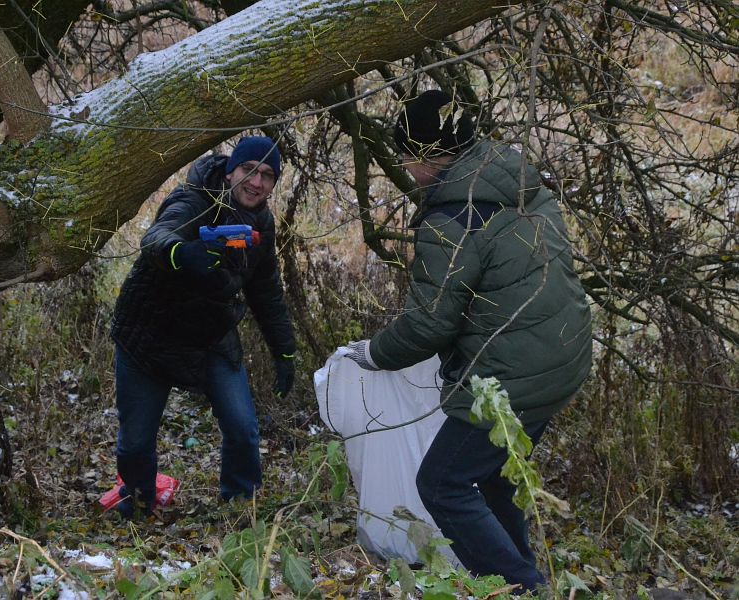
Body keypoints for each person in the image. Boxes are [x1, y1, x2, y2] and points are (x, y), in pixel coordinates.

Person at [344, 90, 592, 592]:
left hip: (514, 374)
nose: (405, 168)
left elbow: (428, 324)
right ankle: (521, 574)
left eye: (405, 157)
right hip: (564, 357)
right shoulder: (519, 184)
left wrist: (374, 353)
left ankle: (522, 588)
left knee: (442, 483)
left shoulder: (453, 219)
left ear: (426, 155)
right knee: (495, 473)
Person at [109, 136, 296, 518]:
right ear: (230, 171)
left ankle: (240, 507)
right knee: (135, 443)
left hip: (211, 334)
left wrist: (284, 350)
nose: (256, 182)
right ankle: (139, 504)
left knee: (243, 428)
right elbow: (156, 238)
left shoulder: (262, 223)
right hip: (150, 334)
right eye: (249, 170)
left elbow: (266, 292)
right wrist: (182, 254)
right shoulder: (194, 200)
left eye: (267, 175)